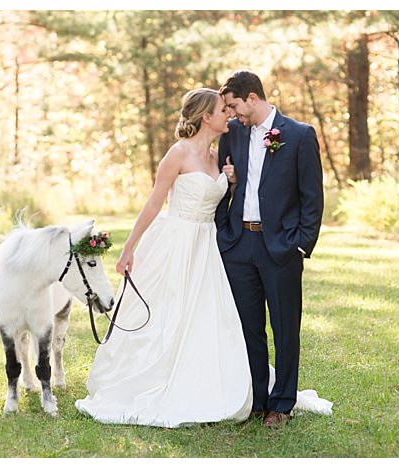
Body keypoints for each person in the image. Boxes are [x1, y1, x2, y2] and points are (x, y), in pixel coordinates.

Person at [75, 88, 253, 427]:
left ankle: (205, 379)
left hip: (205, 247)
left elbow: (217, 203)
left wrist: (228, 183)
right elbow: (154, 202)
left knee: (204, 316)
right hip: (174, 242)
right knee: (167, 314)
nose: (228, 114)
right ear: (206, 117)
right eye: (222, 109)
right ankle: (149, 377)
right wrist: (128, 248)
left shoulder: (218, 158)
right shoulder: (179, 153)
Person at [215, 70, 324, 428]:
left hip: (281, 248)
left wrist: (300, 246)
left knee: (284, 326)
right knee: (249, 328)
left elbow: (312, 199)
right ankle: (257, 399)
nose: (231, 114)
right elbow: (221, 184)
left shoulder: (299, 135)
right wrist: (223, 232)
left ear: (252, 98)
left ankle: (282, 403)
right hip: (239, 245)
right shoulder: (233, 134)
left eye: (234, 106)